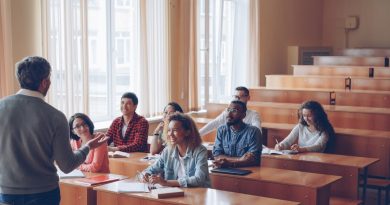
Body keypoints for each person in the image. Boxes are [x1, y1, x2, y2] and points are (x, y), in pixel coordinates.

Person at [0, 56, 108, 205]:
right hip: (43, 193)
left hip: (7, 193)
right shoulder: (55, 116)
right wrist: (87, 147)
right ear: (44, 82)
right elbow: (67, 165)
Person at [143, 113, 210, 188]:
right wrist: (146, 174)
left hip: (197, 194)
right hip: (175, 194)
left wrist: (166, 182)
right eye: (169, 130)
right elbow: (152, 169)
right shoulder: (168, 151)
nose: (170, 134)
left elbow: (199, 179)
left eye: (174, 130)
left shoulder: (200, 151)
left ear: (187, 132)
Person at [212, 100, 262, 168]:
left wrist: (229, 163)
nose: (229, 114)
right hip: (223, 169)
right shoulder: (222, 130)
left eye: (234, 111)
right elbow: (217, 156)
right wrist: (240, 159)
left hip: (247, 172)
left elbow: (253, 159)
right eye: (228, 110)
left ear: (243, 115)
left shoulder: (253, 131)